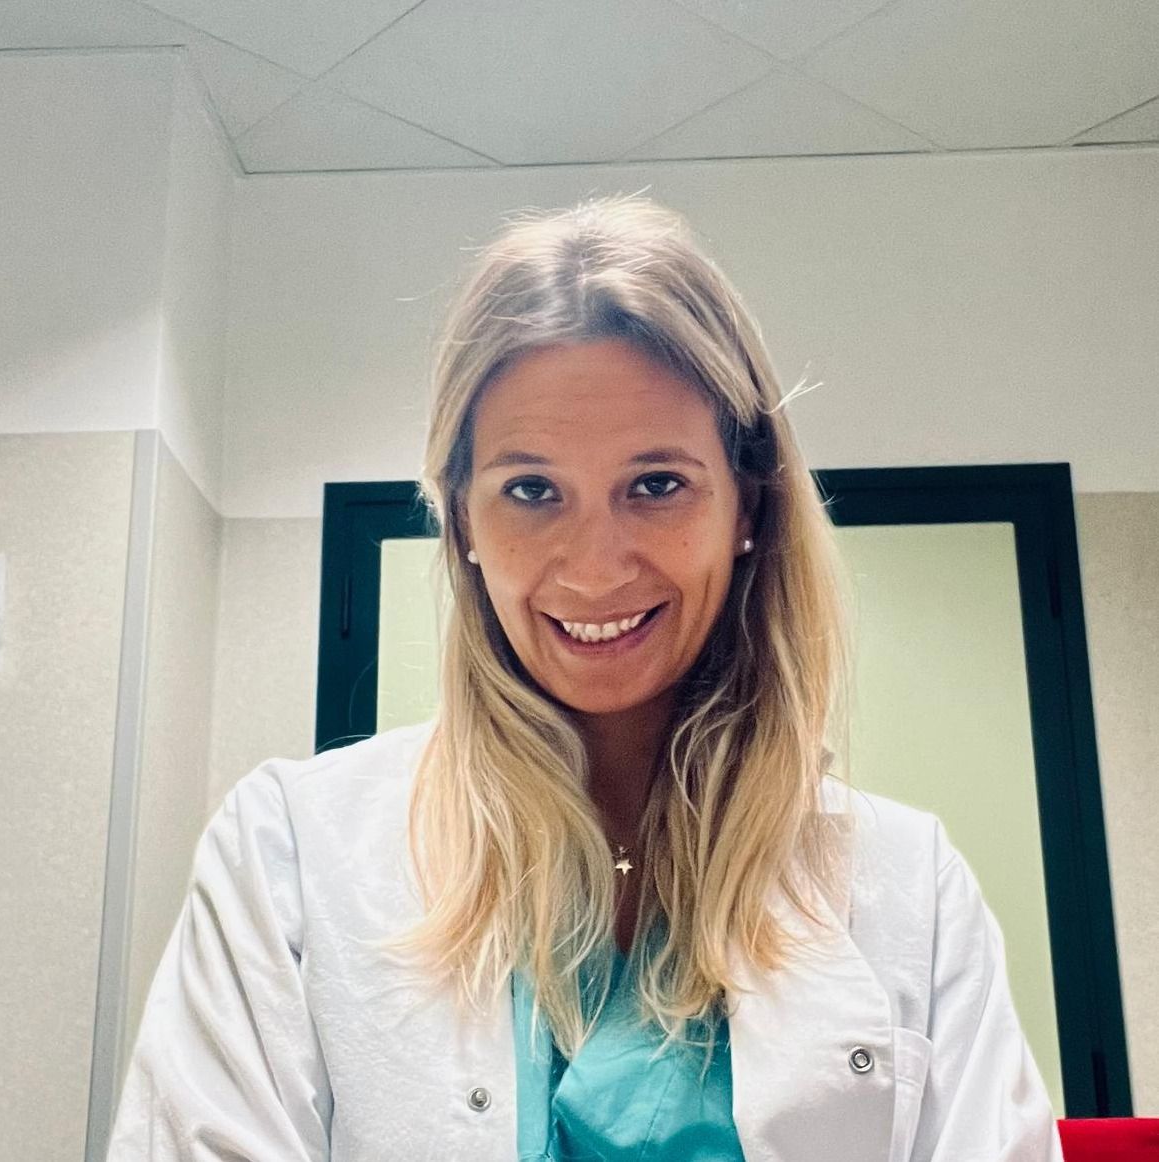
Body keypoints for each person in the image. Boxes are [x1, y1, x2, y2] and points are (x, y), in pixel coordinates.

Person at [108, 196, 1063, 1161]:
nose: (596, 569)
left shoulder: (909, 884)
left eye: (657, 485)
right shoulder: (289, 852)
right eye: (531, 490)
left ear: (746, 507)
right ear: (463, 520)